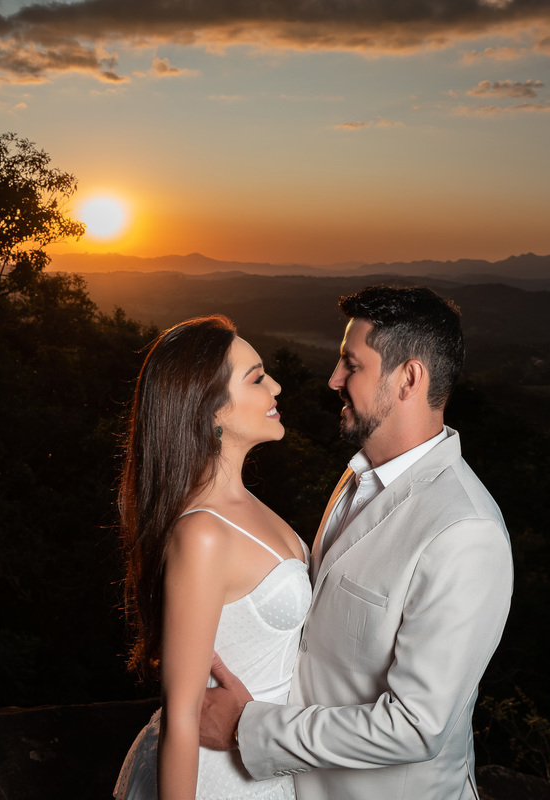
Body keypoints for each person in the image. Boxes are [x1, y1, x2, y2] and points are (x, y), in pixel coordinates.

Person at [199, 286, 514, 800]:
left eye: (352, 365)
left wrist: (247, 729)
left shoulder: (464, 530)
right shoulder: (358, 477)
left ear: (409, 377)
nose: (333, 379)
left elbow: (417, 727)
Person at [115, 315, 313, 800]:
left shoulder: (252, 507)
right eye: (258, 378)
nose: (277, 387)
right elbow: (181, 713)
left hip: (269, 760)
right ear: (212, 411)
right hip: (219, 779)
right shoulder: (203, 533)